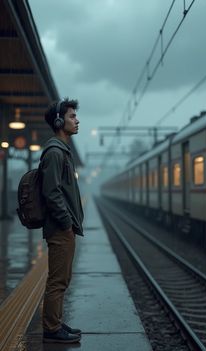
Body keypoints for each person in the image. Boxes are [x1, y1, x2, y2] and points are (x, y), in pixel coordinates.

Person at [40, 98, 84, 344]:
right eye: (71, 117)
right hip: (59, 228)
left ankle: (55, 322)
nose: (77, 120)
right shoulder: (56, 152)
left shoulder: (61, 150)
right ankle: (51, 329)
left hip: (63, 226)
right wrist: (67, 223)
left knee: (62, 278)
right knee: (57, 280)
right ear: (59, 121)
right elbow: (52, 191)